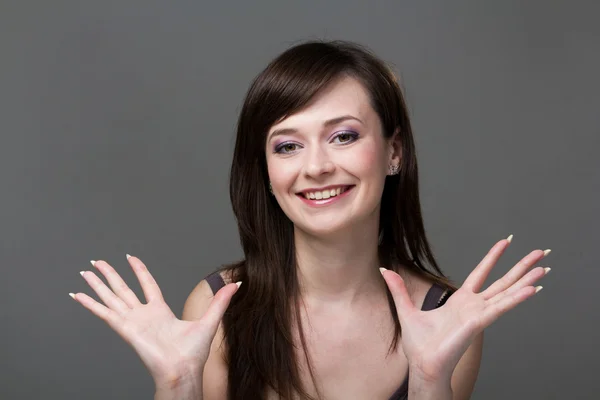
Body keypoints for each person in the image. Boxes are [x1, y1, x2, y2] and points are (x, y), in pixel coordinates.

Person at [70, 40, 551, 400]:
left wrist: (429, 381)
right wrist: (177, 384)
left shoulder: (445, 320)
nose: (316, 166)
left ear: (394, 153)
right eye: (287, 145)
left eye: (343, 136)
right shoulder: (220, 308)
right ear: (265, 169)